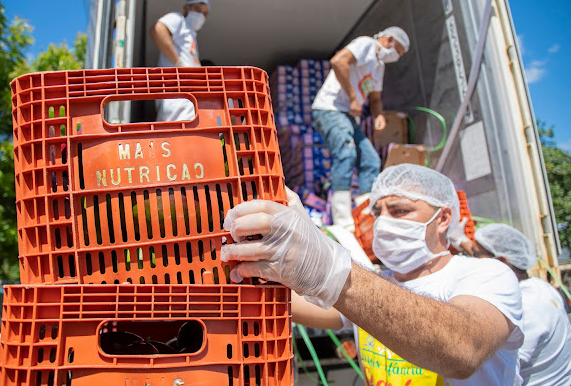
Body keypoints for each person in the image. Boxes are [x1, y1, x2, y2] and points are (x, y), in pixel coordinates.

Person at [221, 164, 524, 384]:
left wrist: (327, 266)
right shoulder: (380, 284)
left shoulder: (487, 275)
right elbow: (293, 305)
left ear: (443, 218)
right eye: (378, 213)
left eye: (400, 211)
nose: (384, 223)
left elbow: (464, 350)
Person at [311, 26, 409, 230]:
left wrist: (379, 115)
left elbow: (375, 98)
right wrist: (354, 98)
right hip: (330, 109)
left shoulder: (379, 66)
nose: (396, 57)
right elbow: (338, 61)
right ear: (389, 40)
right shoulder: (365, 44)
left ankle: (366, 213)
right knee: (346, 154)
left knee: (371, 160)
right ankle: (343, 220)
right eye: (398, 51)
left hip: (348, 115)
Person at [464, 223, 571, 385]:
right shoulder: (540, 286)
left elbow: (489, 368)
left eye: (475, 256)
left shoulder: (525, 307)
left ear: (501, 261)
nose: (470, 263)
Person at [149, 0, 210, 121]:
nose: (201, 16)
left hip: (188, 103)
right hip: (176, 102)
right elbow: (157, 30)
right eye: (198, 9)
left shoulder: (191, 35)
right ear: (186, 8)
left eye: (205, 13)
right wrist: (178, 63)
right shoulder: (179, 20)